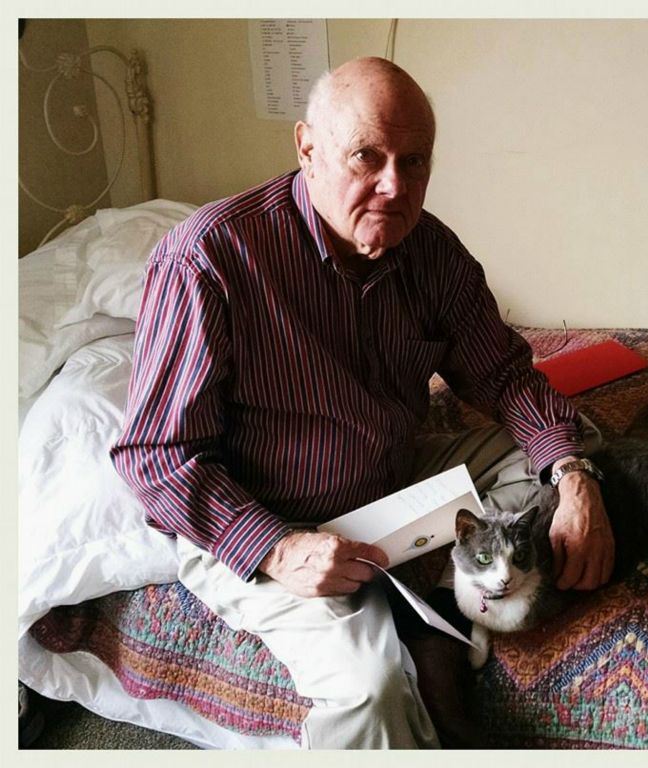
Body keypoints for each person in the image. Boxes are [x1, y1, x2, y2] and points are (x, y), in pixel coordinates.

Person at [111, 56, 613, 749]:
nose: (393, 186)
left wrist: (574, 478)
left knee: (569, 445)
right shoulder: (209, 257)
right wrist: (277, 548)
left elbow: (503, 376)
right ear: (306, 148)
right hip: (265, 515)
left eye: (413, 162)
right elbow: (155, 456)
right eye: (366, 157)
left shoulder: (431, 252)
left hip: (391, 476)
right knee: (370, 692)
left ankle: (437, 614)